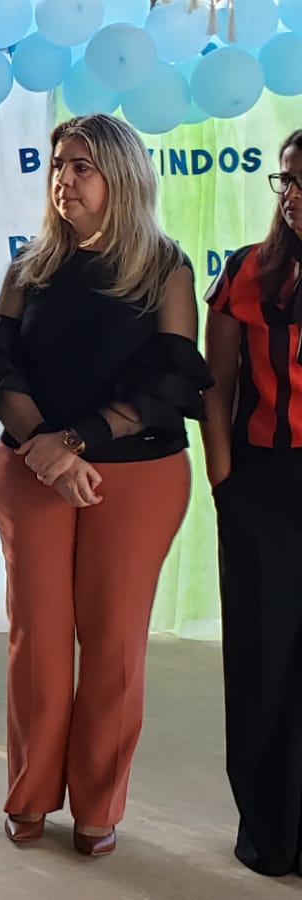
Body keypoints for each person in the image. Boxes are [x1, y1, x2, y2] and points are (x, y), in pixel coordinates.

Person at [0, 113, 211, 857]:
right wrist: (46, 448)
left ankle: (100, 804)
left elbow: (168, 381)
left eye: (81, 167)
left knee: (113, 644)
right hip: (32, 470)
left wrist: (75, 444)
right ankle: (30, 794)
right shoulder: (30, 266)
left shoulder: (165, 268)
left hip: (136, 478)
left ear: (121, 178)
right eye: (57, 166)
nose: (63, 180)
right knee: (37, 638)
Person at [201, 128, 302, 878]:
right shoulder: (243, 271)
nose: (292, 195)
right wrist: (223, 480)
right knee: (263, 657)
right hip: (262, 485)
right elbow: (217, 386)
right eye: (287, 180)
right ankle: (269, 829)